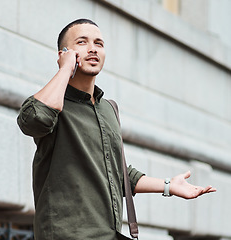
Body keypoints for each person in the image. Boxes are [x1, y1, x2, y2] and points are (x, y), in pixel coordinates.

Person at [17, 18, 216, 240]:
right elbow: (33, 121)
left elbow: (117, 173)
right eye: (82, 42)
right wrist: (65, 70)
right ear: (64, 53)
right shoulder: (53, 102)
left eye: (99, 43)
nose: (93, 48)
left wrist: (169, 185)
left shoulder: (108, 108)